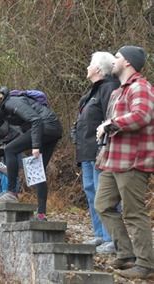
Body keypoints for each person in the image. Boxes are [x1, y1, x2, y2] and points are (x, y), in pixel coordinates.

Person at [95, 45, 154, 279]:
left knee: (133, 212)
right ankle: (127, 254)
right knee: (103, 205)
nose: (113, 60)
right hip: (113, 160)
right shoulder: (117, 91)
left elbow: (142, 115)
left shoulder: (141, 86)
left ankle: (146, 264)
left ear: (128, 62)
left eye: (117, 57)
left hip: (133, 161)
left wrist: (110, 124)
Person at [0, 88, 63, 221]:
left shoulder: (11, 103)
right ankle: (41, 214)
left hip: (47, 126)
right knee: (38, 171)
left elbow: (35, 119)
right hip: (48, 129)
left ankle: (11, 192)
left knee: (10, 149)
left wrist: (36, 145)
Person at [73, 52, 120, 253]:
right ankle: (99, 235)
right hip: (85, 151)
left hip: (100, 151)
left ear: (99, 69)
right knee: (91, 192)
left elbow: (111, 119)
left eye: (90, 64)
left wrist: (105, 146)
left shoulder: (108, 88)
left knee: (104, 195)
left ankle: (112, 238)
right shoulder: (92, 92)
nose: (87, 68)